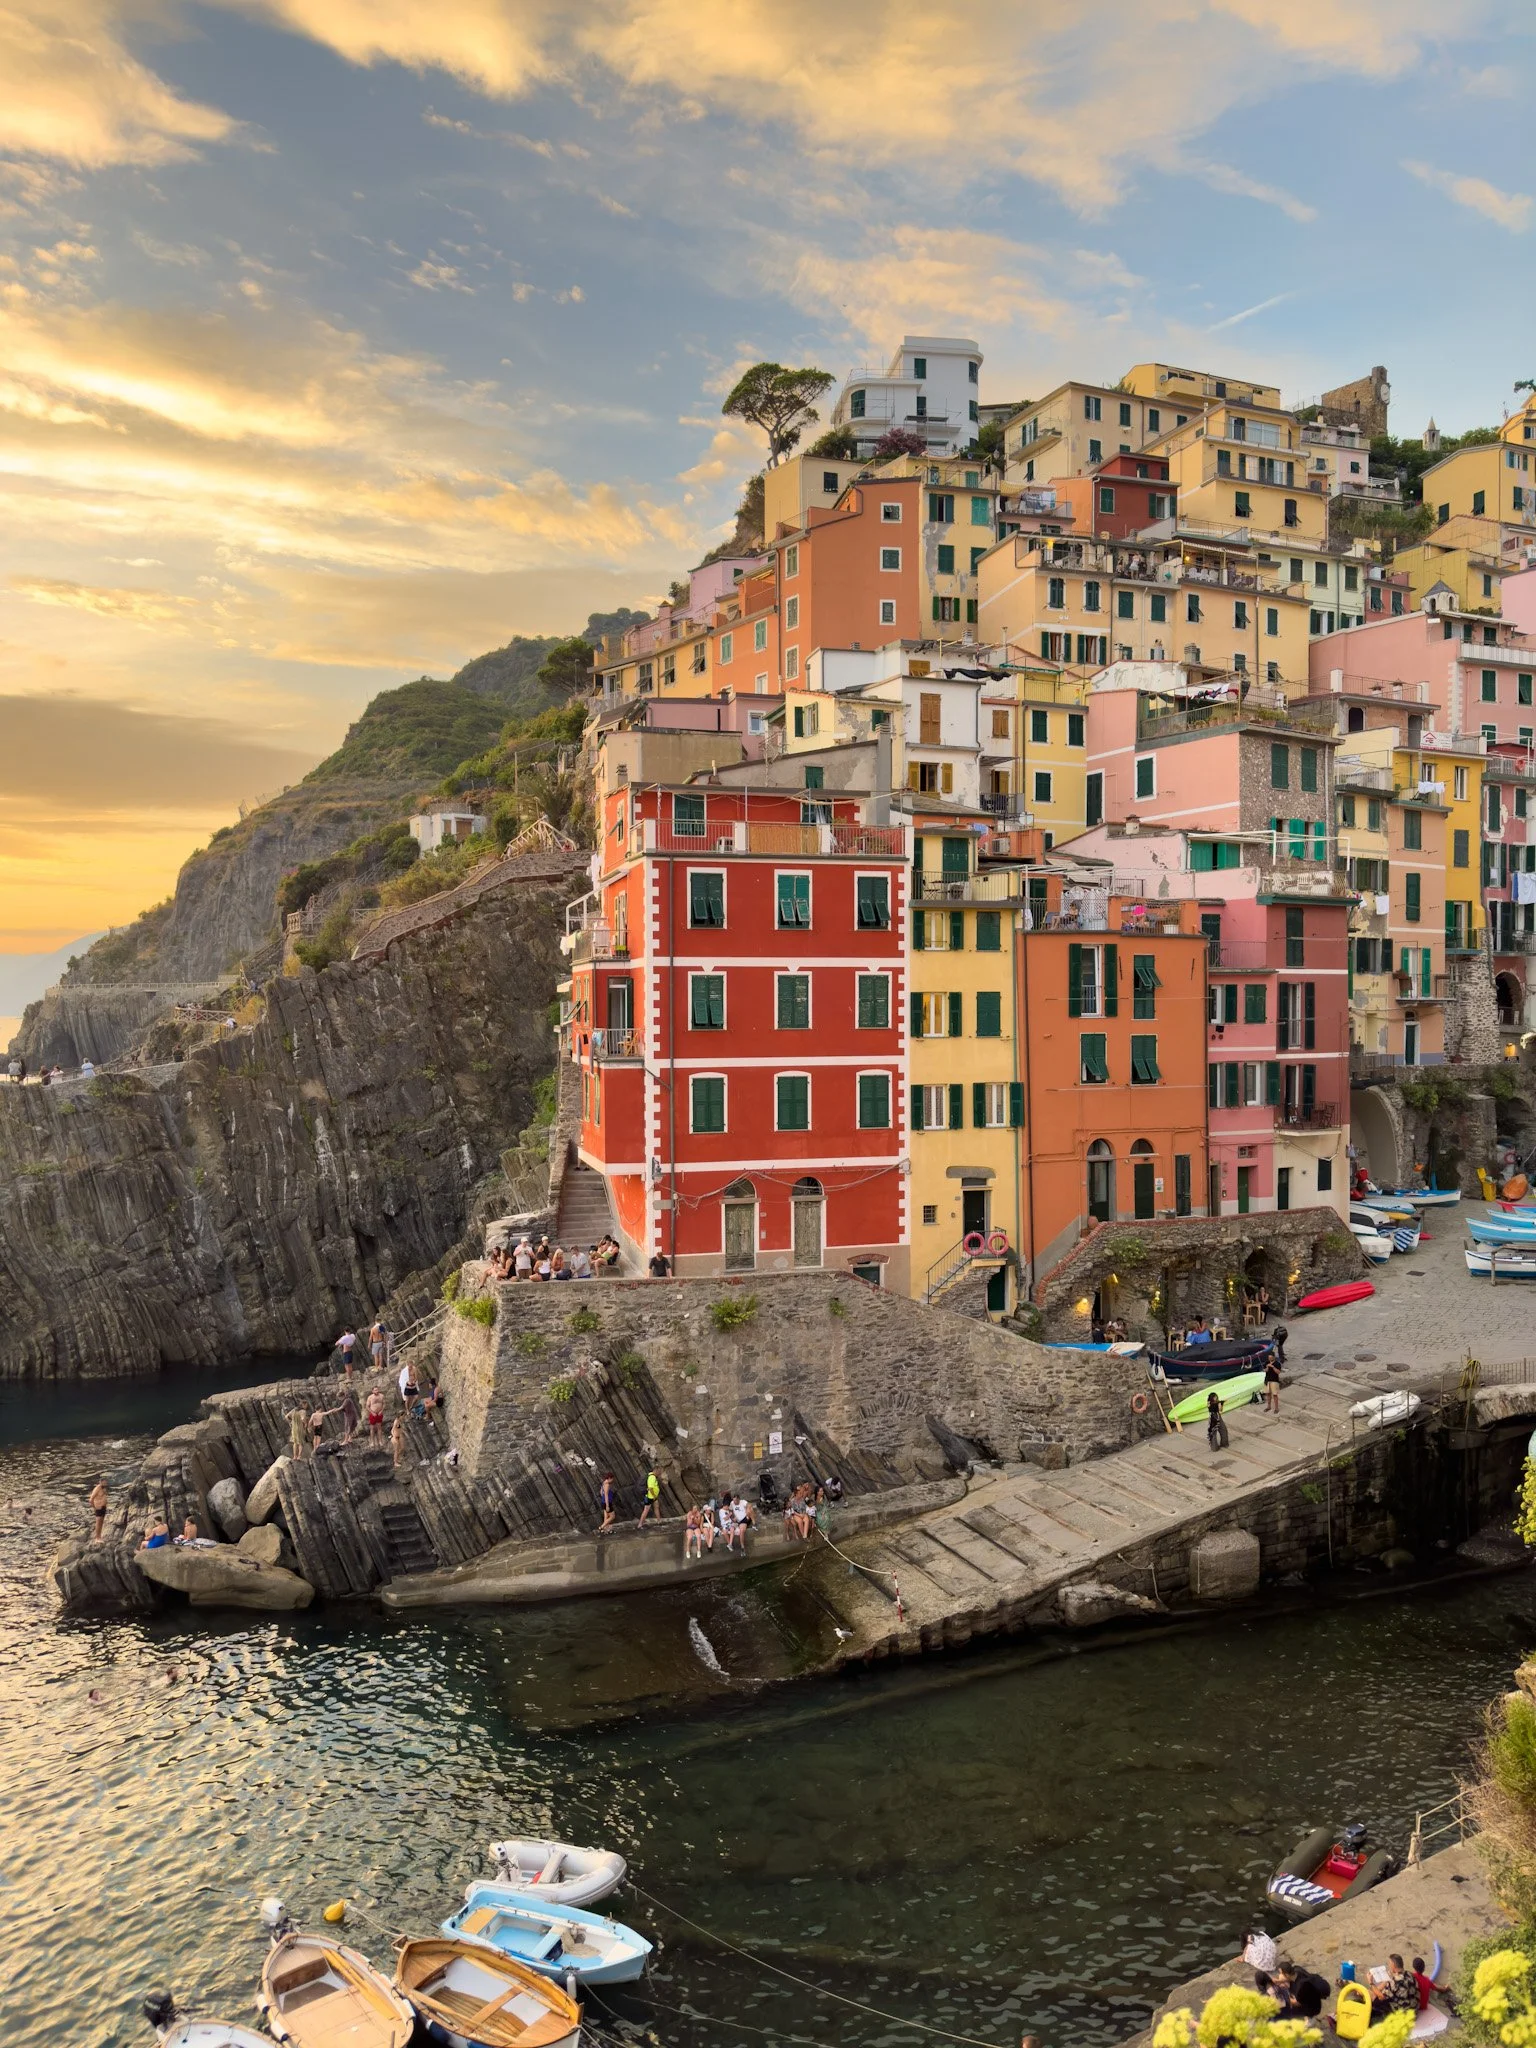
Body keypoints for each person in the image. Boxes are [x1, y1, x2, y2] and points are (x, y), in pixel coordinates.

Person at [89, 1477, 108, 1541]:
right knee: (98, 1522)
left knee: (101, 1522)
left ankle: (99, 1536)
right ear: (100, 1482)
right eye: (104, 1482)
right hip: (98, 1508)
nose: (105, 1483)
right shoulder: (97, 1488)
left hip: (103, 1507)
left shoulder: (104, 1488)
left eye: (106, 1482)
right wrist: (94, 1508)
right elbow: (91, 1499)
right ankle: (97, 1538)